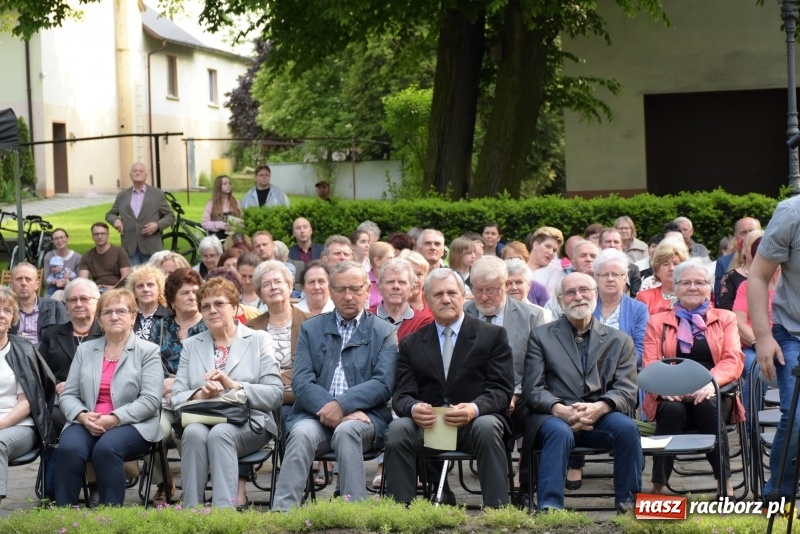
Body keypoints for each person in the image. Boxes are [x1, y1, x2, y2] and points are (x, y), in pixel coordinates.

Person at [271, 261, 398, 510]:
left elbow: (383, 384)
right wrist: (332, 408)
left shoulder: (384, 331)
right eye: (340, 289)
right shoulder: (311, 328)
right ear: (331, 290)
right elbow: (301, 381)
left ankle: (354, 512)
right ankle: (282, 514)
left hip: (366, 418)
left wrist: (343, 405)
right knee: (300, 434)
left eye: (354, 288)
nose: (348, 296)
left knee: (347, 431)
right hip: (314, 416)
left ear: (366, 289)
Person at [385, 268, 514, 508]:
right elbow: (401, 395)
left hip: (474, 424)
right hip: (431, 425)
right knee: (398, 430)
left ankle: (498, 512)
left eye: (452, 293)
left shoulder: (492, 336)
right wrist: (413, 408)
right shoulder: (412, 343)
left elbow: (501, 391)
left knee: (488, 427)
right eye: (438, 294)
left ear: (463, 296)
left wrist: (474, 409)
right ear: (427, 300)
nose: (446, 299)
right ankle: (399, 515)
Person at [523, 272, 642, 513]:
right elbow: (533, 389)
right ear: (559, 300)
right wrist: (560, 409)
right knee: (558, 433)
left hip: (601, 415)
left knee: (628, 429)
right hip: (553, 416)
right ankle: (550, 508)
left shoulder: (620, 340)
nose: (578, 296)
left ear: (596, 295)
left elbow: (628, 390)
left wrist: (601, 407)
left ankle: (628, 506)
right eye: (570, 292)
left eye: (584, 290)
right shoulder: (541, 336)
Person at [170, 277, 283, 508]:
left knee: (220, 434)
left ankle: (224, 513)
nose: (212, 310)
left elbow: (275, 394)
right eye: (206, 306)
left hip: (251, 421)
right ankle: (191, 511)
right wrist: (200, 394)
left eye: (219, 304)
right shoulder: (192, 345)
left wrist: (235, 385)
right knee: (192, 433)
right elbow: (176, 396)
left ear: (235, 308)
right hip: (204, 417)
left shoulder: (259, 340)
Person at [643, 258, 744, 497]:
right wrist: (664, 385)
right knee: (670, 410)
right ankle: (659, 484)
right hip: (671, 392)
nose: (692, 287)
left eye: (699, 282)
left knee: (708, 405)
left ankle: (724, 481)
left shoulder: (725, 318)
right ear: (675, 288)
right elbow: (650, 362)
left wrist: (710, 383)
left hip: (714, 390)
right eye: (685, 282)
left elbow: (733, 359)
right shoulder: (657, 321)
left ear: (709, 287)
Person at [55, 288, 163, 506]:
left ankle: (111, 516)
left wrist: (114, 418)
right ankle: (64, 515)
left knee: (107, 448)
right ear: (100, 320)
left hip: (133, 423)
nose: (114, 317)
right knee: (69, 447)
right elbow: (69, 394)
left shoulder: (148, 351)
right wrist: (82, 415)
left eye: (121, 311)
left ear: (133, 317)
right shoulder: (85, 350)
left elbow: (151, 400)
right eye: (107, 312)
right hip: (88, 420)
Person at [464, 256, 547, 505]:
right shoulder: (461, 313)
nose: (484, 297)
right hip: (471, 400)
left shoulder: (532, 316)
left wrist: (515, 393)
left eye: (491, 290)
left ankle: (526, 489)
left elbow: (536, 368)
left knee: (540, 420)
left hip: (519, 396)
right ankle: (441, 490)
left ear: (504, 286)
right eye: (478, 290)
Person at [749, 193, 800, 502]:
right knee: (796, 417)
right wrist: (763, 336)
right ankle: (778, 496)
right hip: (792, 331)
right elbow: (758, 274)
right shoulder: (791, 213)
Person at [0, 286, 57, 504]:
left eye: (6, 310)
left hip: (19, 426)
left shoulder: (23, 349)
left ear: (13, 317)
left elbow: (27, 402)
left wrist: (2, 424)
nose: (1, 314)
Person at [246, 261, 312, 435]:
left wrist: (275, 381)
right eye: (266, 284)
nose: (273, 287)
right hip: (259, 396)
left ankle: (289, 463)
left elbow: (313, 365)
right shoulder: (249, 328)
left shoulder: (311, 323)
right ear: (260, 294)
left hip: (295, 394)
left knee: (285, 414)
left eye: (278, 282)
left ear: (290, 287)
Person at [38, 278, 103, 433]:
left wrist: (74, 385)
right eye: (72, 300)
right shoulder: (52, 334)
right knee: (51, 416)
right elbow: (40, 369)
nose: (78, 304)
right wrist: (56, 384)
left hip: (99, 399)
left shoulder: (107, 335)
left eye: (84, 298)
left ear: (97, 302)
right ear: (66, 306)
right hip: (60, 401)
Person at [732, 237, 779, 426]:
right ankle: (751, 426)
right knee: (755, 365)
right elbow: (739, 321)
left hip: (786, 342)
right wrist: (760, 343)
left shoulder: (790, 285)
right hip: (753, 344)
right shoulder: (747, 285)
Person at [105, 162, 175, 266]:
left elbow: (170, 216)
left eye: (141, 171)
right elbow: (110, 214)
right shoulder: (122, 196)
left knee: (154, 278)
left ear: (146, 175)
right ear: (130, 175)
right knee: (133, 279)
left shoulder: (157, 194)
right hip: (130, 247)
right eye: (135, 171)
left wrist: (157, 225)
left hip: (151, 247)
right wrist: (115, 220)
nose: (137, 173)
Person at [9, 263, 68, 346]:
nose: (23, 283)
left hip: (46, 355)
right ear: (11, 284)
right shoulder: (5, 310)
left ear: (36, 285)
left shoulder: (56, 307)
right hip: (13, 355)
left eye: (28, 279)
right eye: (19, 279)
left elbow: (66, 338)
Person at [636, 238, 689, 315]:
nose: (671, 268)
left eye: (676, 264)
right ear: (657, 270)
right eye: (666, 264)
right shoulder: (644, 297)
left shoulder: (694, 294)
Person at [716, 229, 764, 310]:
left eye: (762, 245)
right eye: (753, 245)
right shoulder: (730, 277)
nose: (757, 249)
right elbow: (725, 308)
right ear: (743, 250)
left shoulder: (776, 274)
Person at [78, 223, 132, 291]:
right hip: (96, 290)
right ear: (92, 236)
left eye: (103, 233)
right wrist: (93, 289)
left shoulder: (119, 252)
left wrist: (113, 288)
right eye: (96, 234)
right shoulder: (87, 256)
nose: (100, 236)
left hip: (117, 289)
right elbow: (82, 280)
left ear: (108, 235)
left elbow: (126, 276)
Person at [714, 217, 760, 297]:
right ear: (735, 237)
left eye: (752, 231)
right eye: (743, 233)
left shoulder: (771, 261)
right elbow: (719, 298)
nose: (749, 236)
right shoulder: (723, 263)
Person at [125, 264, 171, 341]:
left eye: (150, 285)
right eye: (140, 286)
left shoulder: (170, 315)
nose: (145, 289)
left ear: (160, 289)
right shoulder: (127, 315)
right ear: (134, 292)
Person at [598, 227, 642, 298]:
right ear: (600, 245)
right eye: (608, 241)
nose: (612, 245)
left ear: (621, 246)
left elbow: (635, 297)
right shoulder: (593, 268)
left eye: (616, 242)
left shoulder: (633, 269)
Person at [43, 228, 83, 299]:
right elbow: (46, 280)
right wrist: (55, 282)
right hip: (53, 292)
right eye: (56, 238)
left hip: (72, 291)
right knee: (57, 295)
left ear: (67, 238)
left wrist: (69, 280)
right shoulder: (49, 256)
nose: (59, 240)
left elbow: (80, 280)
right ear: (53, 241)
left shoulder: (77, 257)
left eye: (62, 237)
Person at [202, 175, 243, 241]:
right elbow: (205, 223)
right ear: (218, 186)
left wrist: (234, 225)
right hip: (216, 240)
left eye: (229, 183)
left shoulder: (236, 202)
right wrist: (222, 225)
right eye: (225, 184)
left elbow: (242, 221)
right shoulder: (211, 203)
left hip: (233, 240)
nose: (228, 185)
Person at [527, 226, 565, 295]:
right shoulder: (518, 266)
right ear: (535, 245)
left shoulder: (557, 272)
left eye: (554, 250)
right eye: (547, 246)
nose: (551, 252)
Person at [367, 242, 396, 308]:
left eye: (394, 258)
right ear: (377, 261)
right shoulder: (364, 280)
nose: (394, 261)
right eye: (390, 258)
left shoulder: (396, 280)